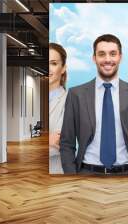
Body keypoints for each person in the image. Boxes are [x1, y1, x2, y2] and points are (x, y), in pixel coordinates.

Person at [60, 34, 128, 174]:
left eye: (113, 54)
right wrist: (71, 176)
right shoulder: (76, 94)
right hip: (87, 173)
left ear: (120, 57)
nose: (107, 59)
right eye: (101, 54)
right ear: (94, 58)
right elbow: (67, 142)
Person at [49, 43, 68, 174]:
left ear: (63, 68)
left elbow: (59, 144)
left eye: (53, 63)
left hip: (54, 170)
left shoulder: (69, 100)